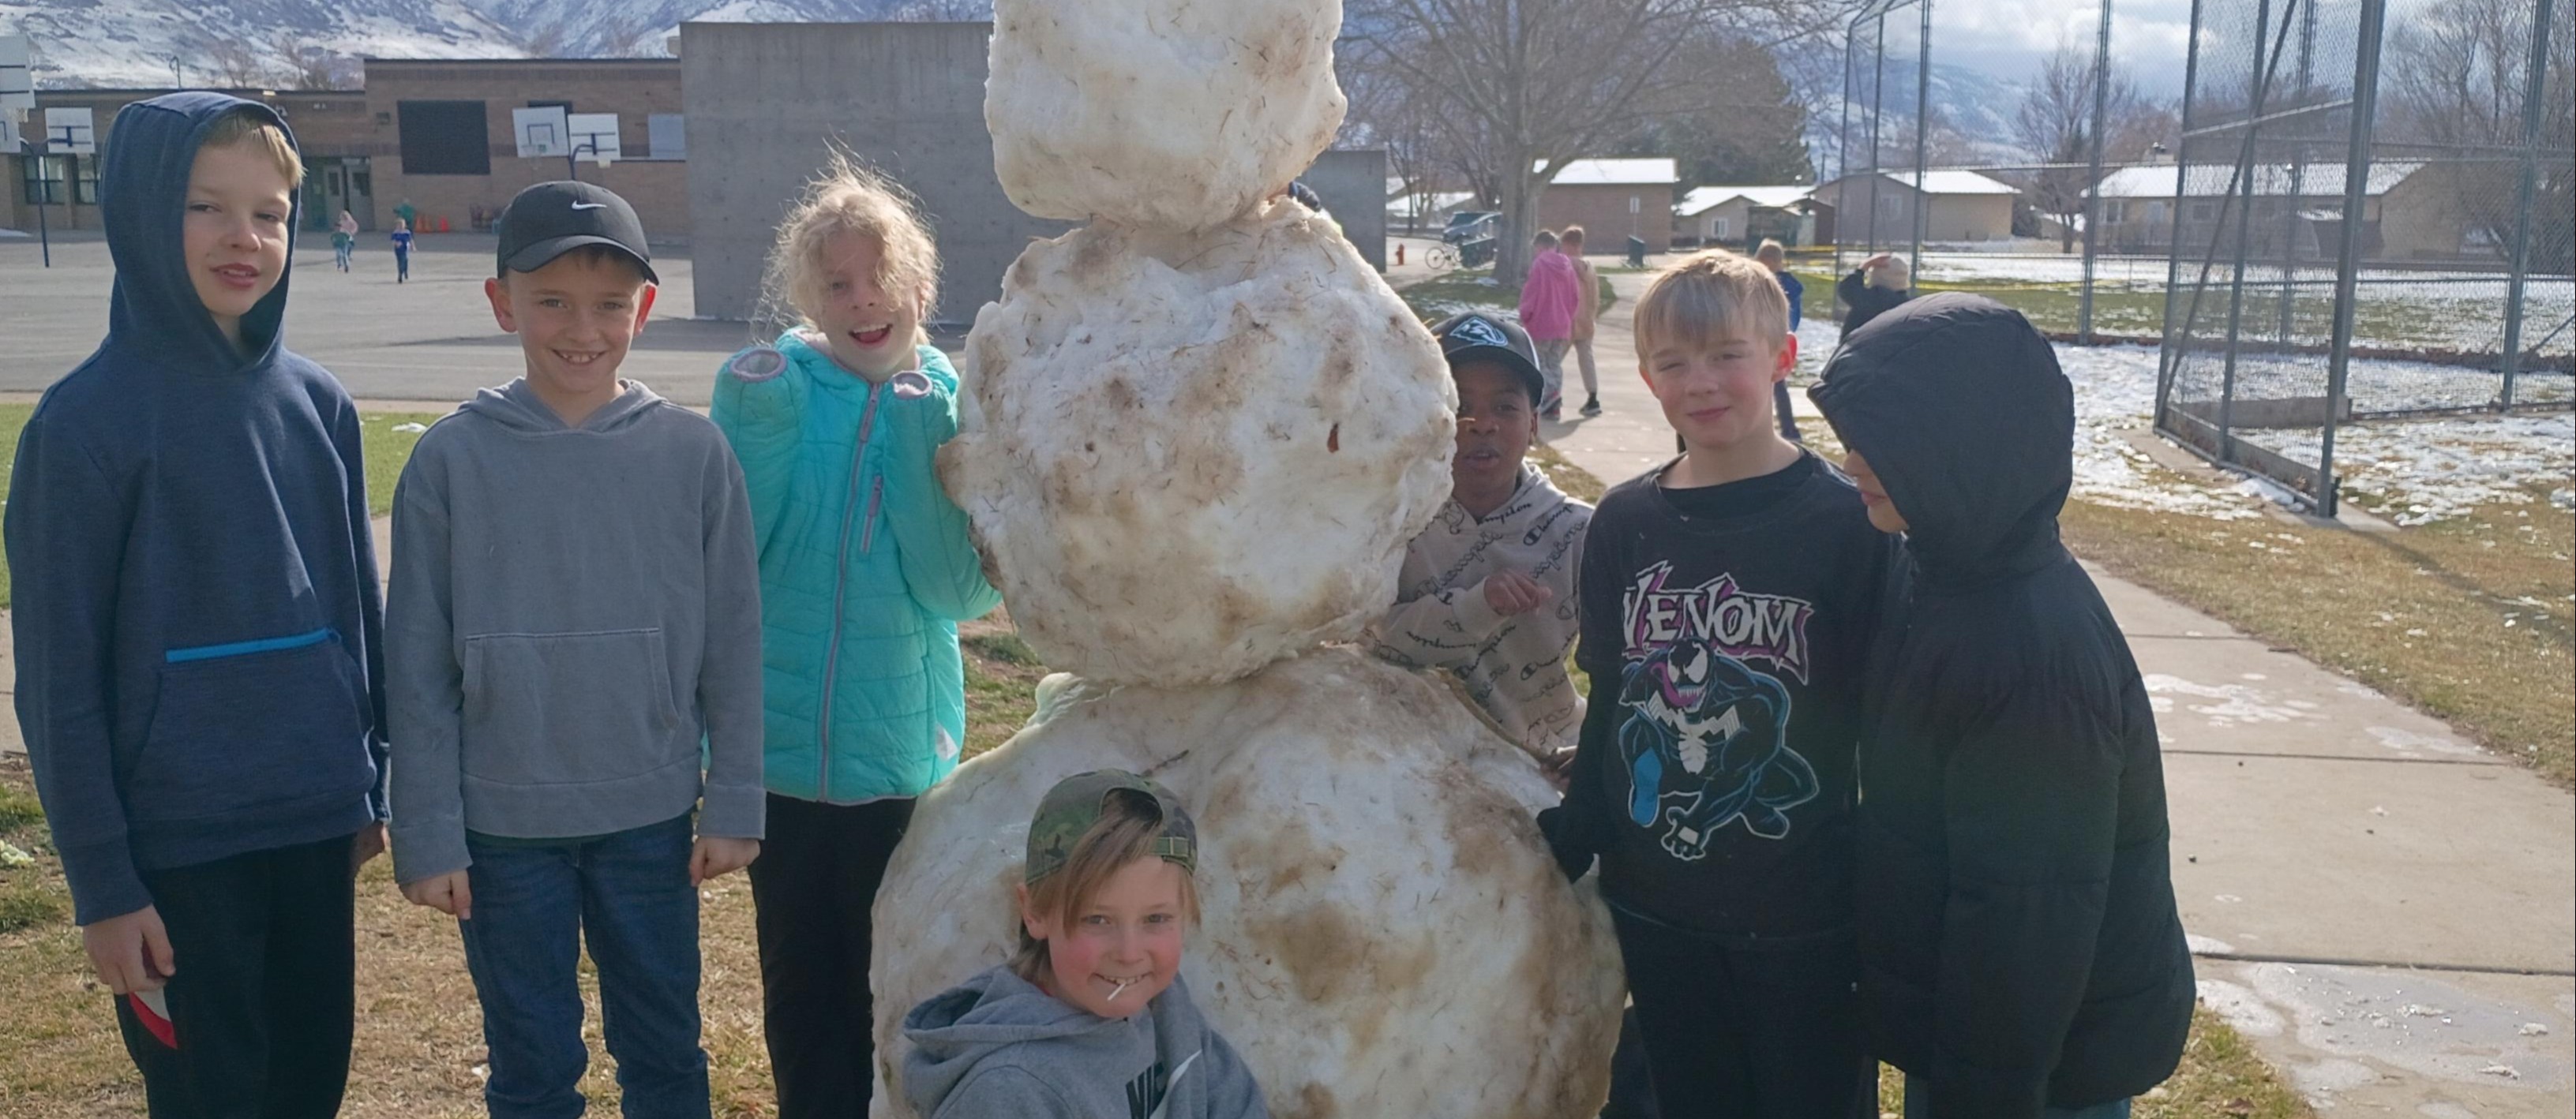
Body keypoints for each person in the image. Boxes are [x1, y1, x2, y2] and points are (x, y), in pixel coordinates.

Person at [5, 92, 388, 1117]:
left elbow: (357, 611)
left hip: (313, 823)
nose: (242, 237)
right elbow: (56, 681)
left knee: (307, 1085)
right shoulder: (84, 429)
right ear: (136, 211)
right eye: (205, 206)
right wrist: (103, 882)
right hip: (176, 851)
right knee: (215, 1096)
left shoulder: (320, 407)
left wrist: (372, 776)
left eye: (268, 212)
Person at [386, 180, 767, 1119]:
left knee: (665, 1049)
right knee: (530, 1061)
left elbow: (733, 638)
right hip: (503, 828)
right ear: (501, 301)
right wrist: (429, 829)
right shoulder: (450, 460)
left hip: (648, 815)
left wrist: (735, 797)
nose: (580, 328)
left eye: (607, 304)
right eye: (551, 299)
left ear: (642, 307)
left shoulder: (693, 453)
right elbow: (417, 664)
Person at [1808, 294, 2194, 1119]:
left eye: (1875, 441)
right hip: (1966, 1029)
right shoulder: (1942, 567)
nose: (1848, 461)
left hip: (2029, 1061)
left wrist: (1980, 1090)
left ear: (1956, 449)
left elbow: (2027, 917)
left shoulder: (2030, 659)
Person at [1538, 249, 1899, 1119]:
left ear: (1780, 357)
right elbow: (1616, 689)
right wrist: (1583, 820)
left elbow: (1889, 723)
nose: (1700, 381)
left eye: (1725, 354)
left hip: (1806, 915)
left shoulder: (1847, 521)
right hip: (1660, 906)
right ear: (1648, 378)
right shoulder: (1624, 521)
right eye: (1672, 362)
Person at [711, 156, 1002, 1119]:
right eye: (836, 283)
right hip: (784, 759)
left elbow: (953, 590)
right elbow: (737, 558)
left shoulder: (952, 407)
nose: (862, 299)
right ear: (808, 298)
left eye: (880, 278)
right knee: (800, 988)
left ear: (919, 286)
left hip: (896, 759)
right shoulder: (781, 389)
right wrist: (755, 421)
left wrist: (925, 450)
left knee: (895, 982)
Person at [900, 770, 1267, 1118]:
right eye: (1097, 919)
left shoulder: (1162, 1002)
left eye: (1155, 919)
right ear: (1035, 913)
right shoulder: (1007, 1091)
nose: (1129, 953)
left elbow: (1236, 1103)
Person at [1367, 311, 1592, 766]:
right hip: (1402, 757)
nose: (1480, 424)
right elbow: (1374, 642)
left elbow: (1631, 668)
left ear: (1533, 424)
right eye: (1459, 405)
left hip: (1543, 757)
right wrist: (1477, 606)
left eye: (1505, 407)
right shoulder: (1391, 522)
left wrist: (1597, 748)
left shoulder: (1580, 532)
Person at [1517, 228, 1580, 421]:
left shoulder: (1540, 265)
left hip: (1541, 323)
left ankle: (1548, 397)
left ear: (1542, 246)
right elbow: (1575, 297)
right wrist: (1568, 318)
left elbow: (1532, 293)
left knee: (1540, 362)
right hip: (1561, 324)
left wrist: (1525, 314)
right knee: (1554, 363)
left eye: (1536, 248)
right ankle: (1554, 399)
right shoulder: (1567, 266)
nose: (1535, 252)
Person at [1755, 240, 1804, 441]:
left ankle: (1767, 426)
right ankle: (1789, 428)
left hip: (1766, 338)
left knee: (1764, 384)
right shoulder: (1793, 286)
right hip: (1781, 338)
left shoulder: (1764, 285)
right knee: (1778, 385)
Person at [1562, 226, 1604, 417]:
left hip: (1568, 322)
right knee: (1586, 359)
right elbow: (1595, 296)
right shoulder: (1590, 268)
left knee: (1552, 361)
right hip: (1587, 321)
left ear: (1570, 245)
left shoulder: (1566, 264)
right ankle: (1593, 396)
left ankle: (1545, 395)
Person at [1837, 252, 1910, 335]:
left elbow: (1847, 288)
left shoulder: (1873, 299)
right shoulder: (1908, 304)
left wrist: (1863, 267)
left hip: (1860, 346)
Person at [333, 208, 358, 272]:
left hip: (349, 234)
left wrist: (352, 232)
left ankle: (348, 255)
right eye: (343, 216)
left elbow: (355, 227)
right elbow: (338, 228)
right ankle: (343, 261)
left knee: (350, 245)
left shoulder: (351, 221)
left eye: (345, 215)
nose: (344, 217)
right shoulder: (341, 222)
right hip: (342, 235)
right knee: (343, 248)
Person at [389, 218, 413, 283]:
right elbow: (393, 240)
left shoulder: (407, 232)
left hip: (405, 248)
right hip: (398, 249)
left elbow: (410, 240)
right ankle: (400, 275)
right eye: (399, 224)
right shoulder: (395, 232)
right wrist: (396, 244)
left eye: (402, 224)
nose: (401, 226)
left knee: (405, 260)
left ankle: (405, 271)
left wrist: (413, 247)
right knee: (400, 261)